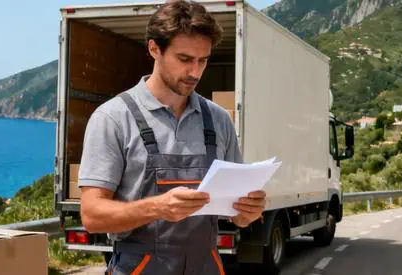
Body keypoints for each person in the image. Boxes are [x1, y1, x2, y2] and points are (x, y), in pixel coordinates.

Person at [76, 1, 266, 274]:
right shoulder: (113, 118)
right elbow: (92, 216)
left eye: (203, 60)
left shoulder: (219, 119)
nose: (195, 72)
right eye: (185, 59)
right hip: (140, 267)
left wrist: (249, 211)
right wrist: (157, 208)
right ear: (154, 49)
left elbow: (237, 215)